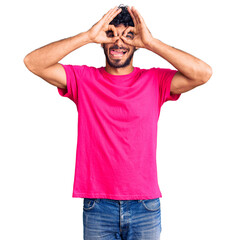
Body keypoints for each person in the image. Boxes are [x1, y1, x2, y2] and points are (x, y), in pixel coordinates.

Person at [23, 4, 212, 240]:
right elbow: (33, 62)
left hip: (145, 205)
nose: (119, 42)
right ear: (103, 41)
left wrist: (151, 42)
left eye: (129, 36)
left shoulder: (154, 80)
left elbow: (203, 73)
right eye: (111, 34)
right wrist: (87, 36)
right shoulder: (83, 79)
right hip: (98, 205)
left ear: (137, 42)